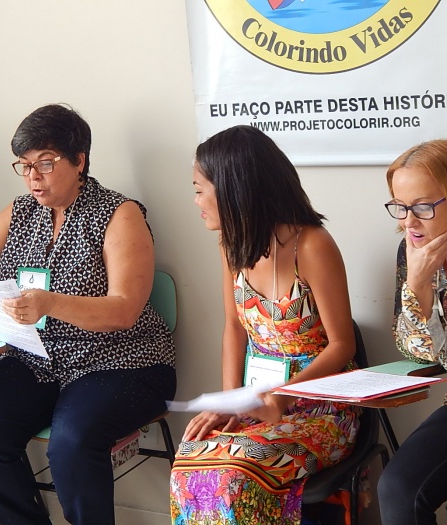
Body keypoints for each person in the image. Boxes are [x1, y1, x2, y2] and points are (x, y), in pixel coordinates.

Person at [0, 103, 177, 525]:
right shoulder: (19, 211)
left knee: (71, 442)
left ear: (80, 161)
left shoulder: (119, 213)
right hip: (36, 356)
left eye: (45, 163)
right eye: (24, 165)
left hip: (120, 360)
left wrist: (50, 302)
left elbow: (125, 310)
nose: (33, 176)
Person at [169, 125, 360, 525]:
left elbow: (342, 345)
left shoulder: (313, 245)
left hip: (321, 409)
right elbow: (234, 326)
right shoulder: (232, 244)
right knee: (190, 459)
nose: (196, 200)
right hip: (260, 403)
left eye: (200, 189)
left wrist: (282, 397)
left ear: (234, 189)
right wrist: (231, 403)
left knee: (234, 473)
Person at [377, 139, 447, 525]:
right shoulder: (412, 252)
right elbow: (414, 349)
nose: (409, 222)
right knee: (398, 487)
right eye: (400, 208)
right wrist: (418, 286)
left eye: (422, 207)